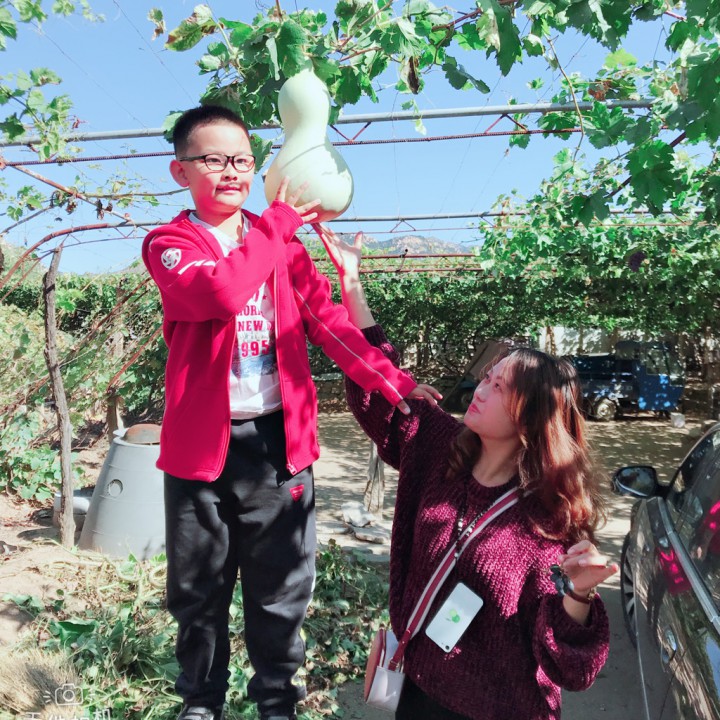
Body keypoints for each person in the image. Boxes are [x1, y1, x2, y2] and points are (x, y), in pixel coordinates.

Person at [141, 105, 433, 720]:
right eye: (213, 159)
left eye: (242, 160)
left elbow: (330, 324)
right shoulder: (169, 245)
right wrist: (275, 226)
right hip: (201, 453)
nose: (231, 171)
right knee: (198, 593)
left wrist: (395, 382)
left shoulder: (282, 246)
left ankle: (277, 704)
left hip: (279, 446)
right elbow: (220, 292)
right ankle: (201, 705)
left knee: (281, 591)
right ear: (180, 170)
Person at [315, 225, 619, 720]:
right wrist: (350, 281)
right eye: (487, 378)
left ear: (531, 418)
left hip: (502, 710)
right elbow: (379, 383)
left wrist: (578, 594)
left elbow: (571, 668)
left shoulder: (549, 517)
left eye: (499, 388)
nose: (480, 389)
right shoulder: (440, 447)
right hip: (418, 690)